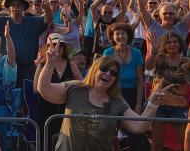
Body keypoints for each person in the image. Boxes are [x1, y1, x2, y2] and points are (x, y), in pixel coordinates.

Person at [36, 54, 172, 151]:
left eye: (113, 73)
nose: (108, 74)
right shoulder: (75, 88)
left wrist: (153, 103)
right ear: (94, 70)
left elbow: (139, 126)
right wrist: (50, 63)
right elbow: (44, 89)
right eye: (104, 69)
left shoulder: (117, 101)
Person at [145, 31, 190, 151]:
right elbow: (148, 66)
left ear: (180, 44)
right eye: (169, 42)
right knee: (157, 144)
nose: (172, 44)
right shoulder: (159, 58)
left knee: (185, 143)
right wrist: (153, 51)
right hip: (158, 104)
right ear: (164, 45)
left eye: (175, 42)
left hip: (178, 106)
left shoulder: (187, 61)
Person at [0, 0, 51, 84]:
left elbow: (48, 20)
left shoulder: (32, 22)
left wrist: (47, 9)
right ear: (9, 7)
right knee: (8, 96)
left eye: (19, 5)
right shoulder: (2, 21)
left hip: (27, 70)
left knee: (26, 96)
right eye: (13, 5)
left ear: (23, 7)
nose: (15, 7)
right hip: (7, 68)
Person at [102, 22, 145, 150]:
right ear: (113, 37)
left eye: (123, 33)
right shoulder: (108, 53)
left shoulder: (136, 53)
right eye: (117, 34)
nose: (120, 36)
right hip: (113, 95)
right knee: (112, 132)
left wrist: (138, 105)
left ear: (128, 35)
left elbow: (140, 80)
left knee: (135, 134)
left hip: (132, 94)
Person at [33, 33, 79, 142]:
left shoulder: (70, 63)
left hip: (66, 109)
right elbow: (35, 88)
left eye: (60, 45)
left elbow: (81, 83)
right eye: (53, 44)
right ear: (49, 48)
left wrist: (65, 90)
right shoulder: (42, 65)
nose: (57, 47)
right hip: (46, 109)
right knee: (46, 140)